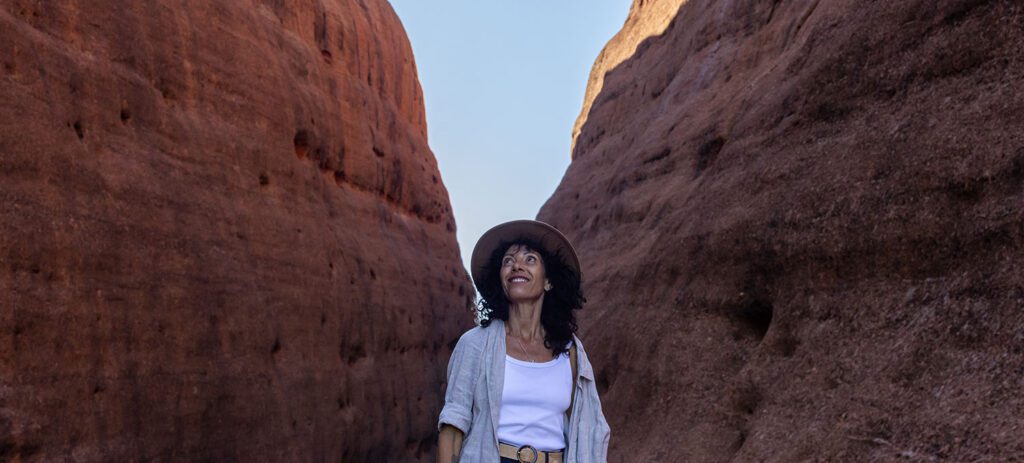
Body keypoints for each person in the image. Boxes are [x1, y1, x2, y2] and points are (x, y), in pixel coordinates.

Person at [437, 220, 610, 463]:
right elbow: (452, 429)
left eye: (530, 259)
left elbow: (586, 428)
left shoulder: (571, 352)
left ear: (549, 281)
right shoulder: (475, 344)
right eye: (508, 261)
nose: (516, 265)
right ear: (501, 279)